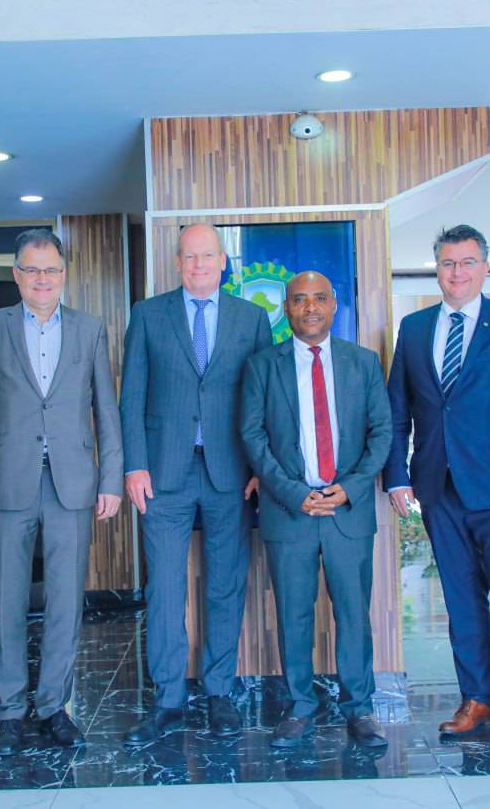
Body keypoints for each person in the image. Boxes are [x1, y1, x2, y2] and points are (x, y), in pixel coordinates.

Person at [383, 224, 490, 751]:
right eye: (449, 263)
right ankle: (476, 698)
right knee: (460, 600)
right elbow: (398, 409)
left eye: (468, 262)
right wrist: (397, 475)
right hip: (439, 487)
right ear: (437, 269)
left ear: (485, 267)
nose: (458, 272)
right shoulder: (413, 328)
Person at [0, 228, 122, 755]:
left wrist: (111, 479)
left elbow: (106, 408)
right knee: (6, 598)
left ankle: (54, 706)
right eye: (32, 270)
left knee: (65, 600)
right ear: (17, 275)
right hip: (6, 481)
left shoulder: (89, 329)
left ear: (64, 273)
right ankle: (8, 710)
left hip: (72, 483)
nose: (42, 279)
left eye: (51, 269)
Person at [119, 223, 272, 743]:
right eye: (189, 256)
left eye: (207, 256)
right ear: (177, 262)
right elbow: (131, 395)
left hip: (233, 473)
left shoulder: (251, 318)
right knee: (164, 586)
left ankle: (219, 692)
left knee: (226, 584)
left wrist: (259, 466)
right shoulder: (148, 314)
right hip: (163, 473)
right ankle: (168, 699)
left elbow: (264, 399)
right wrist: (134, 465)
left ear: (223, 261)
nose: (199, 265)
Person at [240, 271, 391, 750]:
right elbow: (252, 435)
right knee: (293, 615)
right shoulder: (262, 366)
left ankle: (360, 708)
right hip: (290, 512)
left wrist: (349, 488)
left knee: (353, 614)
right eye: (300, 299)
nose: (310, 308)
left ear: (334, 305)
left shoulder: (362, 363)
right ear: (286, 307)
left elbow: (382, 432)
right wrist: (291, 492)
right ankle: (300, 706)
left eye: (319, 299)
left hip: (348, 512)